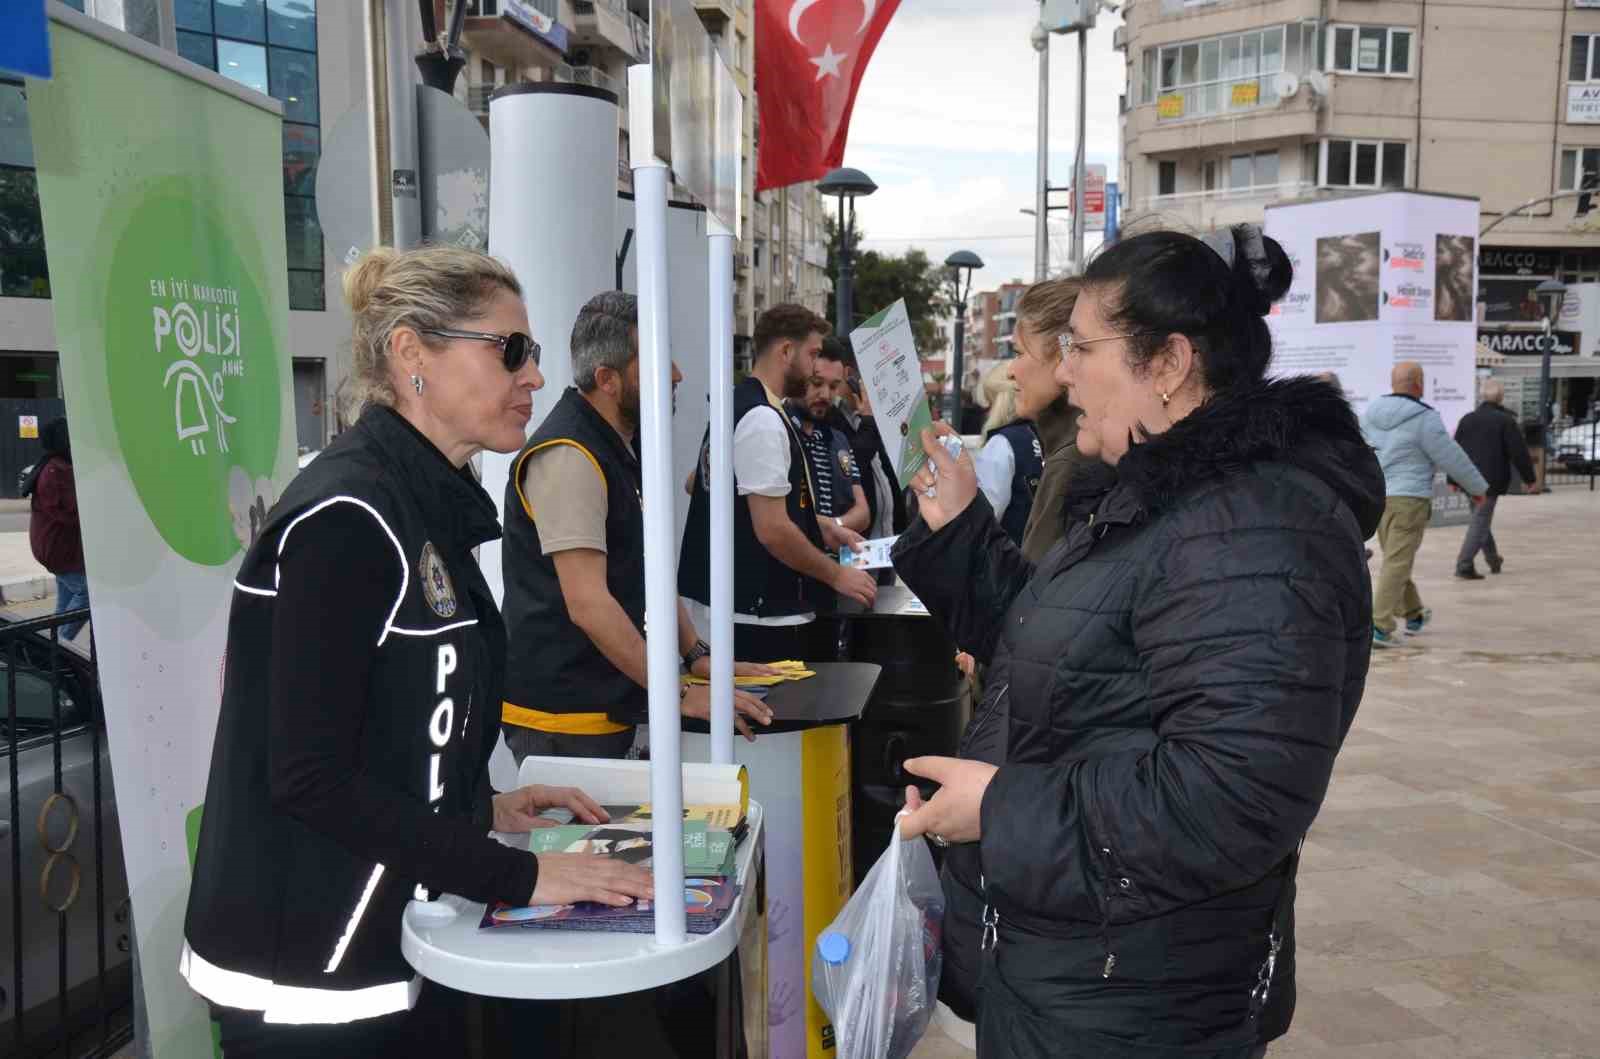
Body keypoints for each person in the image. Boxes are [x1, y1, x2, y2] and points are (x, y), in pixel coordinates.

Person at [891, 224, 1385, 1059]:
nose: (1065, 370)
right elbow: (1066, 651)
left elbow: (1230, 796)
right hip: (1078, 972)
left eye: (1083, 348)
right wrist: (961, 532)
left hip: (1138, 1000)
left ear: (1168, 364)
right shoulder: (1163, 497)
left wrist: (1000, 807)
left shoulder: (1250, 528)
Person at [182, 246, 652, 1056]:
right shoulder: (347, 515)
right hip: (307, 975)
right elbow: (310, 775)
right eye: (511, 350)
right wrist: (521, 874)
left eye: (533, 352)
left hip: (390, 943)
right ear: (412, 355)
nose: (535, 376)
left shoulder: (425, 503)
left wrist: (483, 807)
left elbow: (396, 725)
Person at [500, 291, 776, 761]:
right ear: (607, 380)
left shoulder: (620, 444)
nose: (676, 374)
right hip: (567, 719)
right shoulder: (571, 454)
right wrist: (679, 693)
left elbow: (646, 569)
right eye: (655, 362)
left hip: (608, 703)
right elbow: (589, 603)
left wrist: (696, 655)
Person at [680, 305, 875, 661]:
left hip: (736, 608)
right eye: (812, 354)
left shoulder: (738, 404)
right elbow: (772, 529)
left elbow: (726, 495)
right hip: (759, 616)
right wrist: (836, 575)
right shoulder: (762, 419)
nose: (815, 368)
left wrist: (823, 527)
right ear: (786, 351)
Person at [1360, 362, 1488, 647]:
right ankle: (1379, 626)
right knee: (1397, 562)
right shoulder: (1424, 418)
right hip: (1409, 499)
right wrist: (1478, 488)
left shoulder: (1369, 414)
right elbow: (1451, 455)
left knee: (1395, 559)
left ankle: (1414, 613)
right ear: (1419, 383)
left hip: (1379, 497)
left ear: (1393, 383)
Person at [1007, 278, 1099, 562]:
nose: (1010, 371)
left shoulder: (1073, 460)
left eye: (1018, 353)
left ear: (1063, 357)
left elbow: (1032, 587)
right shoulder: (1077, 448)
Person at [1452, 378, 1536, 578]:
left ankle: (1493, 559)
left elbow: (1455, 451)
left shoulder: (1467, 419)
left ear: (1482, 395)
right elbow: (1519, 452)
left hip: (1468, 478)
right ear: (1501, 397)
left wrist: (1452, 479)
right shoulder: (1505, 421)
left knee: (1480, 520)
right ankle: (1464, 564)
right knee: (1480, 521)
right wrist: (1530, 478)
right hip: (1490, 481)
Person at [786, 355, 869, 534]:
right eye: (816, 383)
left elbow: (863, 514)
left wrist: (833, 525)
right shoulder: (778, 431)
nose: (825, 395)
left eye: (833, 386)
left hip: (836, 551)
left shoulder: (838, 440)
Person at [24, 417, 89, 640]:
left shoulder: (51, 464)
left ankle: (56, 646)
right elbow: (75, 512)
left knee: (66, 599)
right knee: (87, 593)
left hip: (53, 547)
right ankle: (62, 645)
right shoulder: (59, 470)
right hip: (59, 549)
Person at [972, 366, 1042, 548]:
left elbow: (985, 515)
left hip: (1010, 553)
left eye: (990, 403)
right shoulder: (1039, 434)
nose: (987, 412)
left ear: (1000, 402)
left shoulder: (1001, 443)